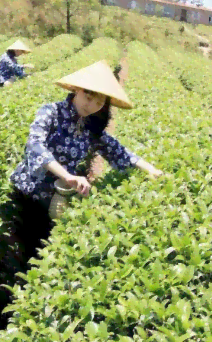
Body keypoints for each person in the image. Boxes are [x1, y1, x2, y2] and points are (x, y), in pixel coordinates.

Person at [10, 59, 164, 222]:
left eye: (98, 103)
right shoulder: (51, 112)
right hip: (26, 192)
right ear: (77, 89)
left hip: (55, 199)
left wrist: (151, 170)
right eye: (88, 97)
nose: (90, 105)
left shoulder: (90, 127)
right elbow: (35, 145)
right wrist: (67, 176)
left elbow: (119, 152)